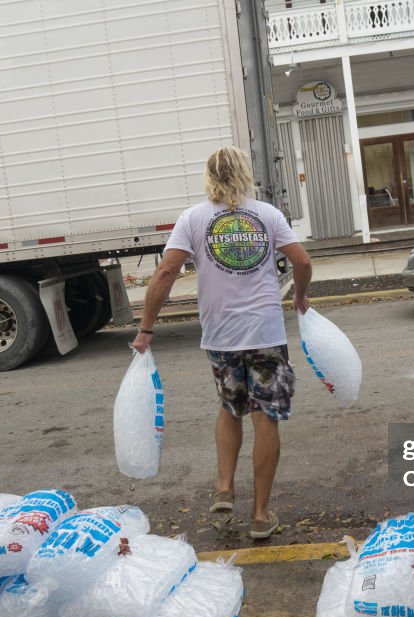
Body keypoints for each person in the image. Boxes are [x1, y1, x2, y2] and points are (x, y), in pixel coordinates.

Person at [131, 146, 313, 540]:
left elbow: (165, 273)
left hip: (221, 335)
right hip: (265, 332)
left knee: (230, 408)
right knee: (266, 415)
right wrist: (299, 296)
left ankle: (225, 487)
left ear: (208, 176)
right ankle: (261, 515)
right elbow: (302, 261)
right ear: (244, 173)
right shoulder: (267, 214)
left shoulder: (192, 218)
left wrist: (147, 327)